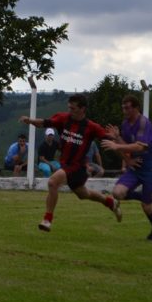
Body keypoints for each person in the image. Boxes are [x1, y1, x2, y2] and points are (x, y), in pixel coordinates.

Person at [19, 94, 121, 232]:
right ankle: (111, 202)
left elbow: (109, 138)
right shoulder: (63, 118)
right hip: (66, 165)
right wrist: (30, 120)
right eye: (69, 107)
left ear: (82, 109)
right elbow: (44, 122)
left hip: (78, 167)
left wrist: (116, 137)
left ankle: (47, 219)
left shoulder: (91, 127)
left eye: (73, 108)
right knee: (84, 194)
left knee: (52, 182)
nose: (70, 110)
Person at [101, 94, 152, 241]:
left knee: (147, 207)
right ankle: (145, 197)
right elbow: (127, 146)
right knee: (117, 192)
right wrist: (119, 142)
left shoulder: (143, 123)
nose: (124, 111)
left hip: (151, 169)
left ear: (136, 108)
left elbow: (139, 147)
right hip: (136, 167)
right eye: (123, 108)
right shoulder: (125, 124)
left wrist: (117, 145)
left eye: (127, 108)